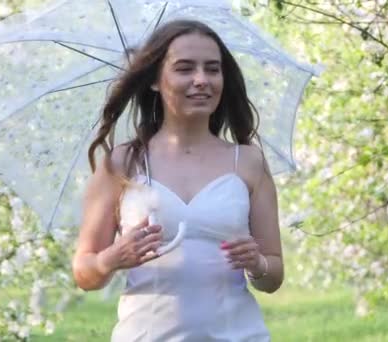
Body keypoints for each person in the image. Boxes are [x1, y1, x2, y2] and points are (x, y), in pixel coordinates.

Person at [72, 19, 283, 341]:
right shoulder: (123, 162)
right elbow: (85, 274)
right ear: (155, 80)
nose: (201, 80)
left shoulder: (248, 162)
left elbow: (274, 275)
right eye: (185, 69)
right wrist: (111, 259)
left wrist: (256, 264)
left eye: (213, 69)